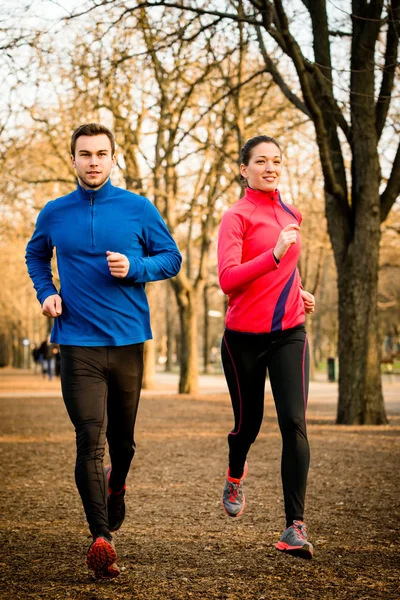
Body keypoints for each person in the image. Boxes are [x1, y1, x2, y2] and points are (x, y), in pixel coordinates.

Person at [25, 123, 182, 578]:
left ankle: (117, 486)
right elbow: (36, 256)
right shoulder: (54, 213)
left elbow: (170, 258)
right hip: (76, 344)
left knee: (123, 443)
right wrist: (46, 292)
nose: (93, 161)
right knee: (89, 439)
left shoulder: (138, 208)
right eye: (84, 154)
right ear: (72, 160)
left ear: (114, 159)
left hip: (129, 342)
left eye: (101, 154)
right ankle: (101, 539)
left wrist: (136, 266)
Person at [217, 135, 315, 560]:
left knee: (294, 422)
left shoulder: (292, 213)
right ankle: (235, 472)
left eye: (276, 161)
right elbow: (229, 279)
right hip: (243, 339)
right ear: (244, 169)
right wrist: (274, 256)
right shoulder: (235, 217)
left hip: (289, 331)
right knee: (249, 425)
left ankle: (294, 526)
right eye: (261, 161)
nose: (270, 167)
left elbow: (285, 270)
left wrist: (299, 289)